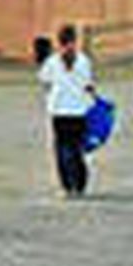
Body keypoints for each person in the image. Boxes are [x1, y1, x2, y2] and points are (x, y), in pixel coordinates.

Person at [38, 23, 96, 197]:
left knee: (62, 148)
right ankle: (80, 184)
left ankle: (66, 186)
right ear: (75, 40)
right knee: (77, 148)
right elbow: (88, 85)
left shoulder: (52, 61)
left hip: (59, 111)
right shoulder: (84, 61)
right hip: (79, 110)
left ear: (59, 41)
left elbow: (45, 81)